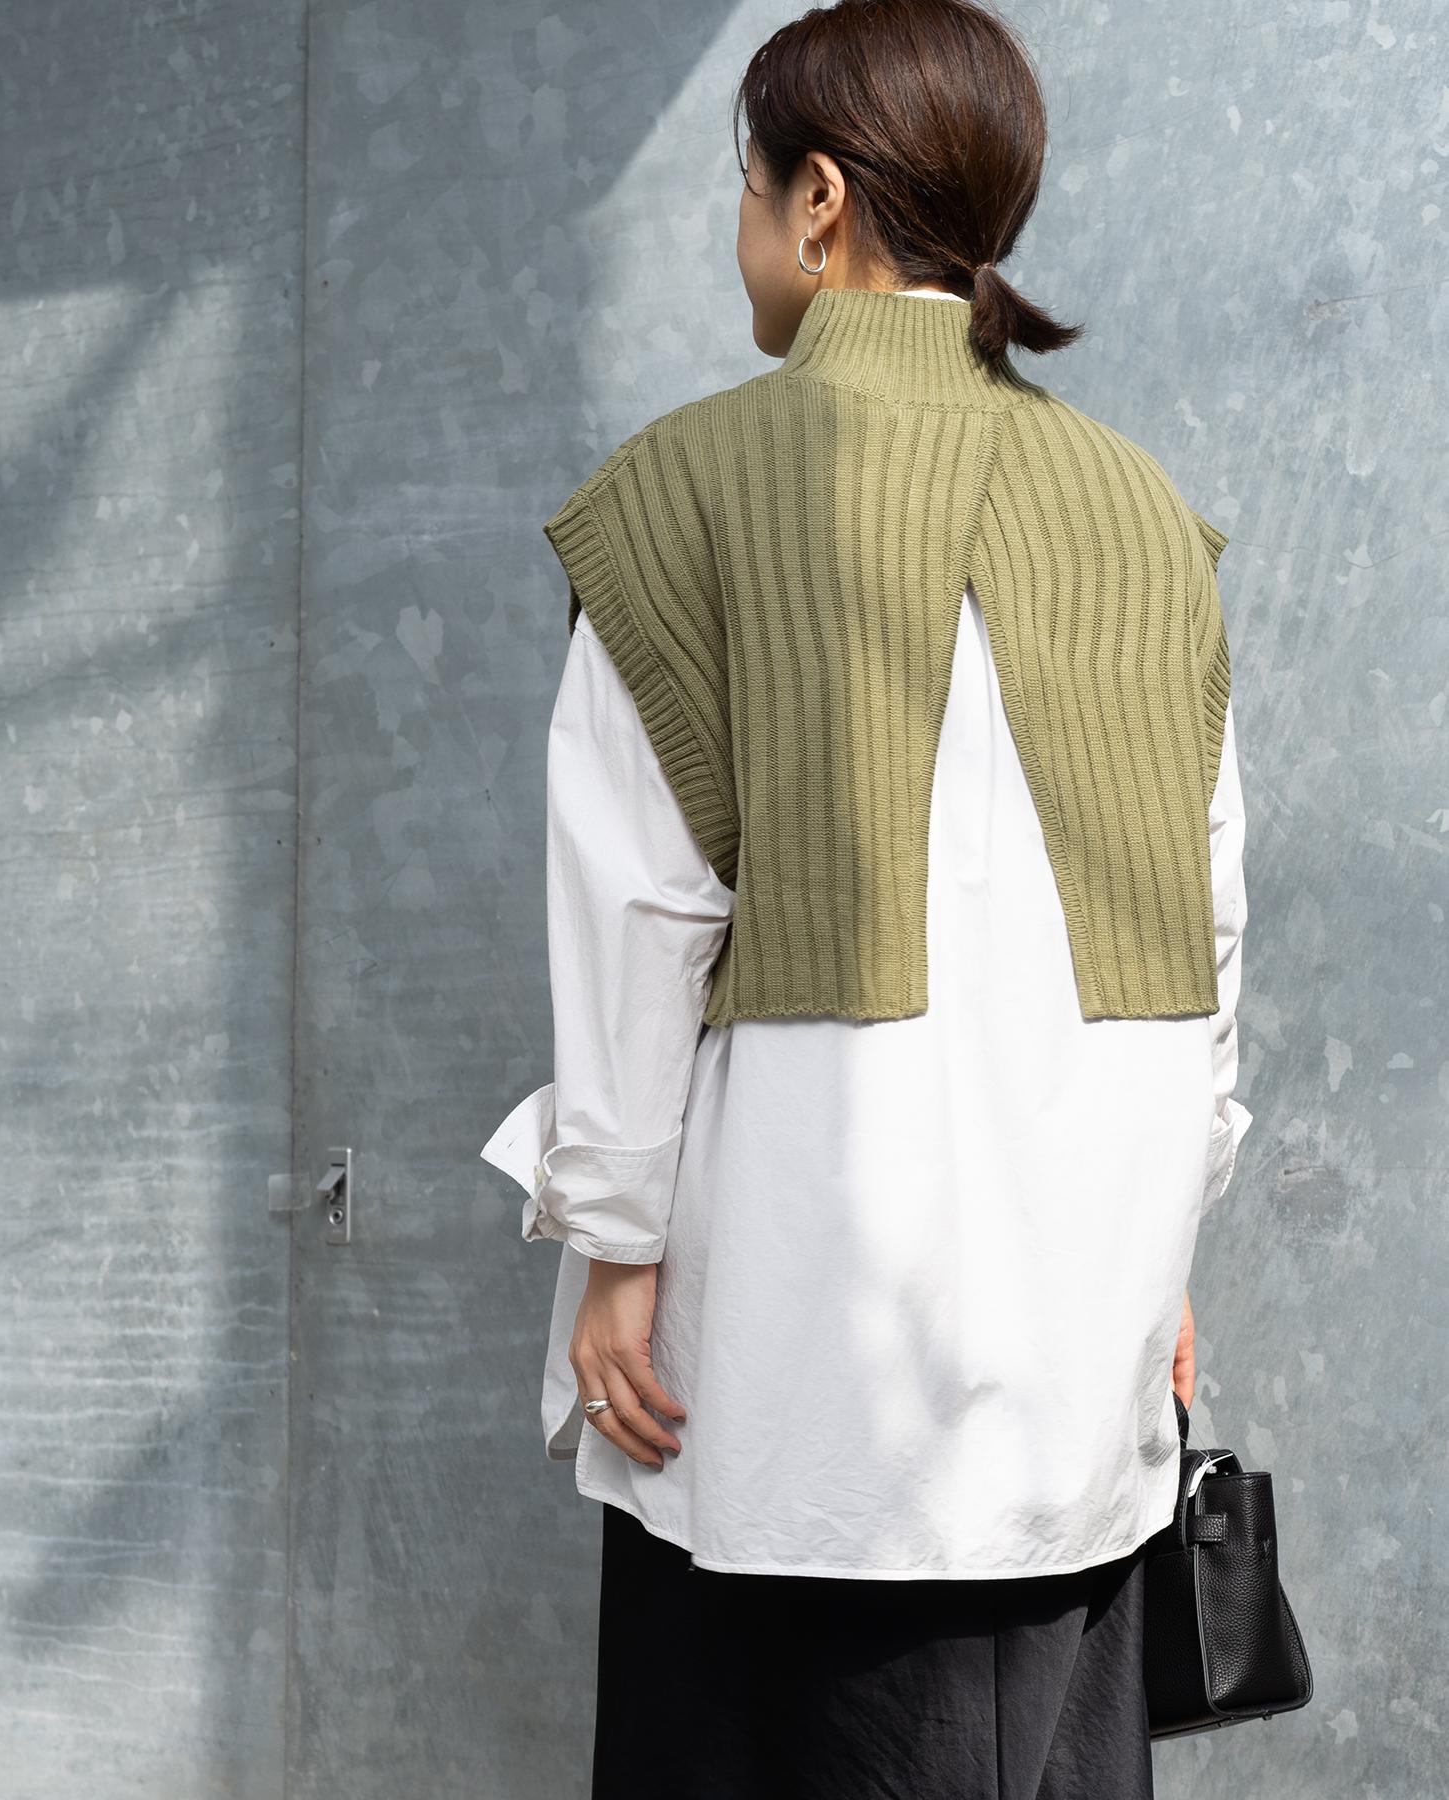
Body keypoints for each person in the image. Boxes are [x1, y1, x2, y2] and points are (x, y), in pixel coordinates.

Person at [481, 2, 1253, 1794]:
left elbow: (640, 914)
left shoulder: (684, 494)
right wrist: (1162, 1247)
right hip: (1079, 1341)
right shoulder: (1143, 514)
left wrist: (617, 1253)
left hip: (791, 1352)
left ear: (818, 202)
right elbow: (1208, 933)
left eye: (747, 186)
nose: (741, 224)